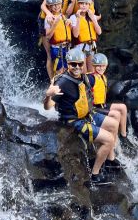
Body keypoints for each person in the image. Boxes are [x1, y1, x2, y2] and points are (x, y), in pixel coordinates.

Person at [43, 47, 122, 185]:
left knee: (114, 123)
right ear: (68, 64)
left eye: (80, 64)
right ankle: (95, 175)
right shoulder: (62, 83)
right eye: (73, 64)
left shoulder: (83, 77)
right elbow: (48, 107)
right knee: (109, 139)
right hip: (74, 121)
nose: (77, 67)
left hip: (87, 115)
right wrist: (48, 95)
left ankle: (110, 160)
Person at [91, 53, 128, 138]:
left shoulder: (103, 77)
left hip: (102, 105)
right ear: (93, 66)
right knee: (116, 114)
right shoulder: (91, 78)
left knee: (123, 107)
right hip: (94, 108)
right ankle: (113, 140)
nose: (101, 68)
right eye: (98, 66)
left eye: (103, 66)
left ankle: (123, 135)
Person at [69, 0, 101, 72]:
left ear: (89, 5)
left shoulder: (91, 16)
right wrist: (78, 19)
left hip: (91, 47)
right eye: (81, 3)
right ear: (78, 4)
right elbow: (75, 35)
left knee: (92, 72)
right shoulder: (73, 17)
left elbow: (99, 32)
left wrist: (93, 18)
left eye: (86, 4)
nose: (84, 6)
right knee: (83, 72)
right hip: (80, 48)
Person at [44, 0, 71, 80]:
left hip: (66, 48)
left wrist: (69, 23)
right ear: (50, 7)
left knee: (67, 70)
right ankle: (56, 90)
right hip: (56, 49)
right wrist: (54, 25)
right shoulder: (49, 18)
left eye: (58, 4)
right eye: (53, 5)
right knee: (60, 72)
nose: (56, 6)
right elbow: (48, 36)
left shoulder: (63, 17)